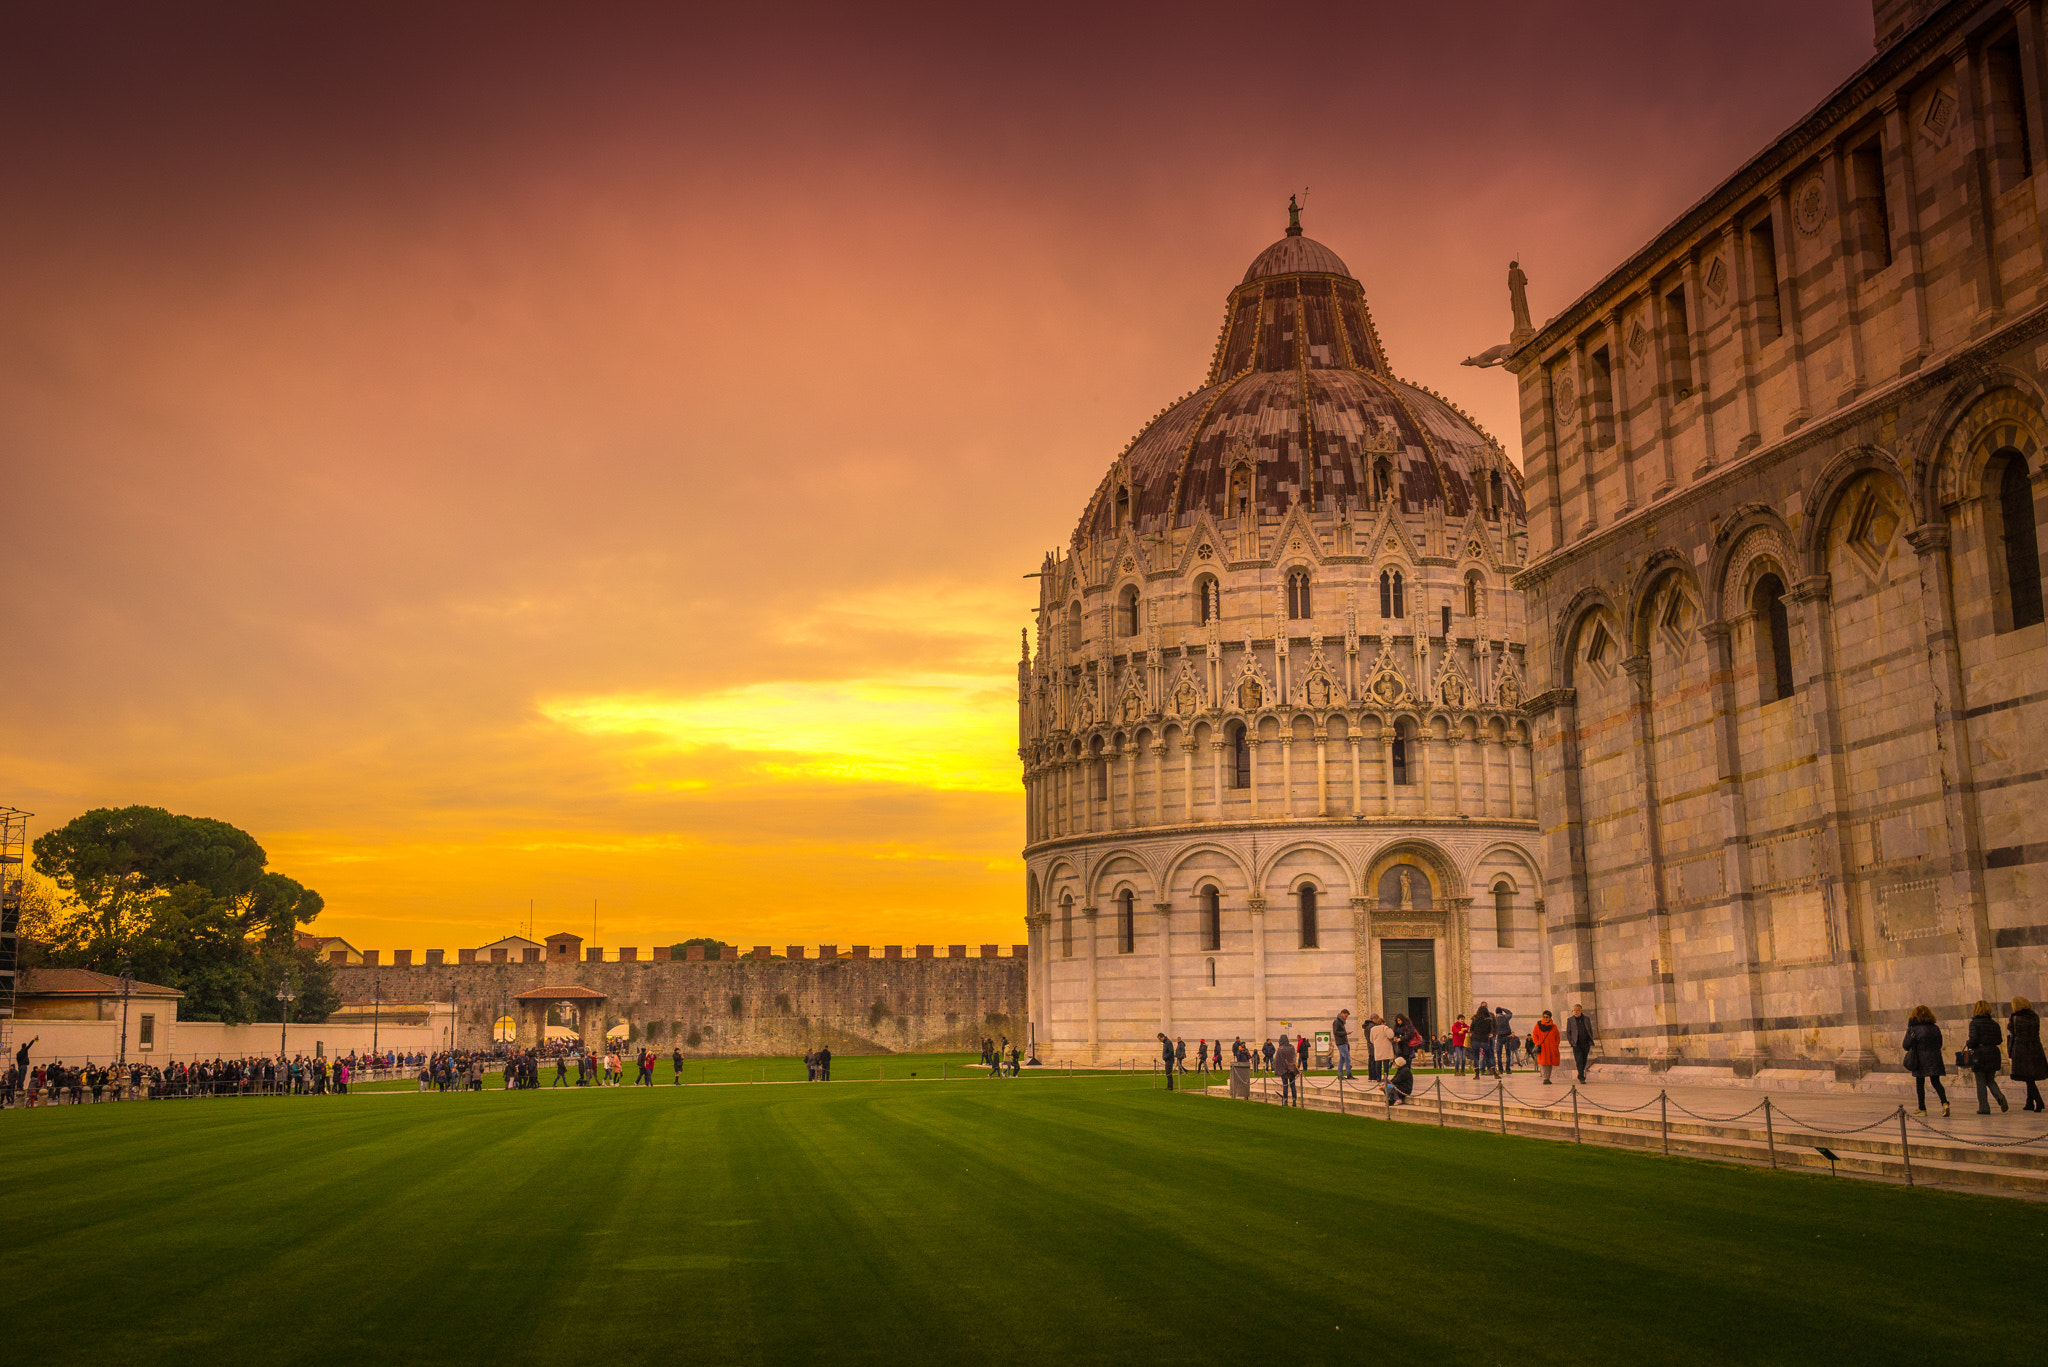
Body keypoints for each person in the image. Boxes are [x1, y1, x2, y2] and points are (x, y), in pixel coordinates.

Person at [1903, 1004, 1949, 1116]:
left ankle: (1922, 1108)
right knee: (1936, 1082)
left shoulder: (1913, 1028)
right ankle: (1944, 1103)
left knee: (1920, 1083)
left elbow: (1906, 1045)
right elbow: (1940, 1043)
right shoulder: (1935, 1028)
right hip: (1935, 1058)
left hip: (1919, 1059)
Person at [1967, 1000, 2010, 1114]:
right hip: (1993, 1053)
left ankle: (1984, 1107)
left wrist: (1969, 1043)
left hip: (1980, 1055)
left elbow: (1973, 1040)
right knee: (1990, 1080)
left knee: (1980, 1082)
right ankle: (2000, 1097)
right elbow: (1999, 1040)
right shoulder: (1994, 1023)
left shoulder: (1974, 1023)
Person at [2010, 997, 2046, 1113]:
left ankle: (2039, 1101)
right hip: (2035, 1048)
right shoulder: (2034, 1016)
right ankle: (2029, 1102)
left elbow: (2012, 1032)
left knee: (2027, 1077)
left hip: (2021, 1049)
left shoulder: (2015, 1017)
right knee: (2029, 1076)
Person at [1531, 1011, 1561, 1084]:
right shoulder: (1538, 1025)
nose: (1545, 1018)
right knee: (1543, 1063)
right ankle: (1545, 1078)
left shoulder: (1554, 1026)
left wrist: (1555, 1045)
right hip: (1542, 1047)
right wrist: (1537, 1043)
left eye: (1547, 1017)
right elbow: (1534, 1035)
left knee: (1549, 1063)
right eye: (1544, 1017)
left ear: (1550, 1018)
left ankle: (1548, 1077)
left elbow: (1557, 1037)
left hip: (1551, 1048)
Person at [1566, 1004, 1594, 1083]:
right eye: (1574, 1010)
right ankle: (1581, 1077)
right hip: (1576, 1044)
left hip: (1585, 1043)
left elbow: (1590, 1030)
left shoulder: (1586, 1019)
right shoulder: (1570, 1020)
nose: (1576, 1011)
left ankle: (1580, 1074)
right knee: (1579, 1060)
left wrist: (1590, 1040)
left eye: (1577, 1010)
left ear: (1581, 1011)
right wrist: (1572, 1042)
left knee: (1584, 1060)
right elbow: (1568, 1033)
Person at [1470, 1003, 1496, 1077]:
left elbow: (1471, 1029)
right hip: (1484, 1040)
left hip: (1475, 1040)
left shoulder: (1475, 1019)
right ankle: (1492, 1070)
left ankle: (1477, 1074)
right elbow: (1489, 1030)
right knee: (1488, 1055)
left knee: (1476, 1056)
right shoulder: (1488, 1020)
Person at [1367, 1015, 1395, 1083]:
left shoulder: (1373, 1029)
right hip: (1386, 1047)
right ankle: (1385, 1077)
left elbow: (1371, 1039)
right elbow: (1391, 1035)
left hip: (1377, 1047)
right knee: (1386, 1063)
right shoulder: (1385, 1028)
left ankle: (1378, 1078)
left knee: (1378, 1063)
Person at [1275, 1033, 1300, 1107]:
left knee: (1285, 1085)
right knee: (1293, 1085)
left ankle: (1285, 1100)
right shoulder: (1292, 1047)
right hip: (1291, 1069)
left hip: (1283, 1070)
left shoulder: (1280, 1049)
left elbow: (1277, 1060)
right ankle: (1294, 1100)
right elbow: (1294, 1058)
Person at [1332, 1010, 1353, 1079]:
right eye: (1346, 1016)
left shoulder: (1341, 1022)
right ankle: (1348, 1074)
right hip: (1341, 1043)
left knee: (1342, 1059)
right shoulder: (1337, 1022)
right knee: (1347, 1058)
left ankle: (1340, 1074)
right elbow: (1336, 1032)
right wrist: (1345, 1033)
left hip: (1344, 1042)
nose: (1346, 1018)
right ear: (1342, 1014)